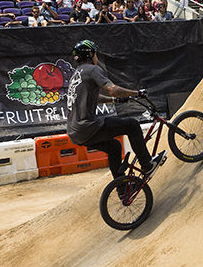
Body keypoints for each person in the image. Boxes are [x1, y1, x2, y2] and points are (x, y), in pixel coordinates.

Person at [65, 40, 158, 185]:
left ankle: (122, 188)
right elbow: (112, 89)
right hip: (88, 126)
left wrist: (115, 100)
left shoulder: (76, 75)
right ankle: (147, 165)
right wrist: (137, 93)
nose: (97, 56)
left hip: (75, 132)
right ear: (90, 54)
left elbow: (95, 98)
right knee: (132, 125)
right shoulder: (93, 70)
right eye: (95, 53)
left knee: (114, 146)